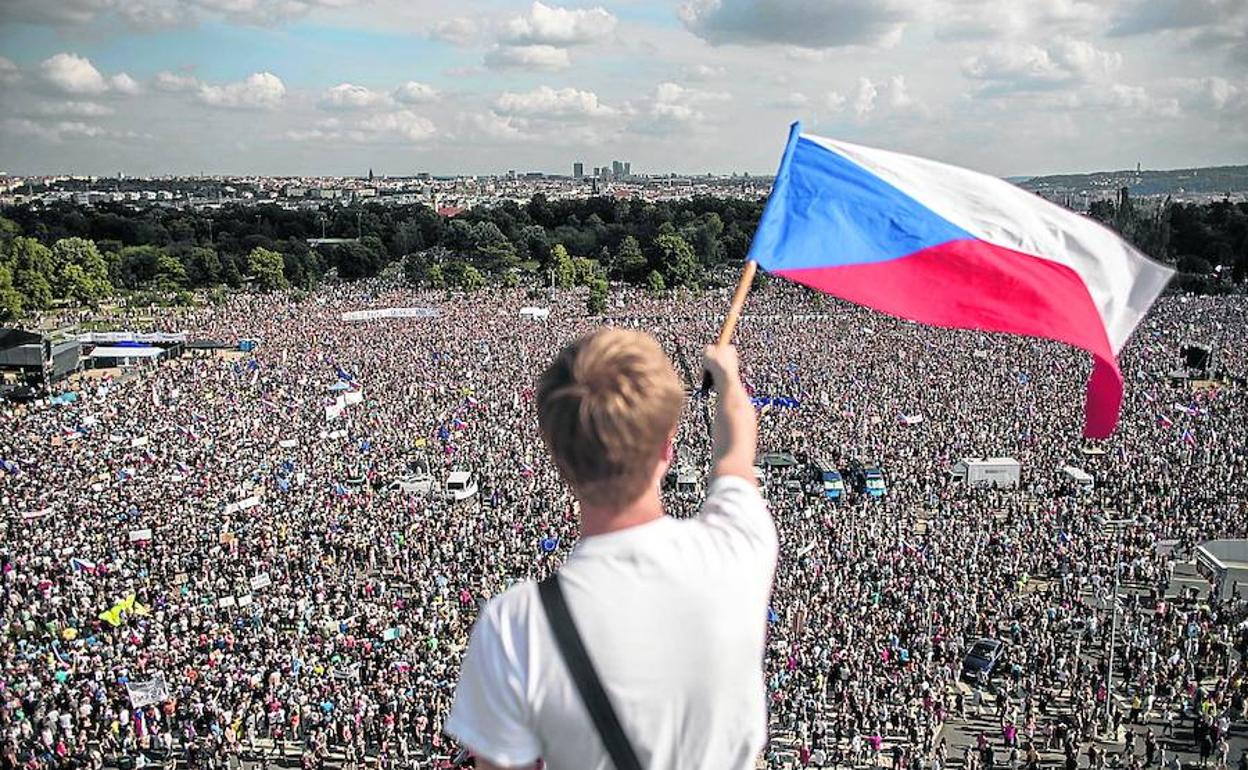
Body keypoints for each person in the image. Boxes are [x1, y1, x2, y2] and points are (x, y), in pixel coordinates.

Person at [444, 329, 776, 769]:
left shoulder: (515, 627)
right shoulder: (737, 550)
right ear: (666, 448)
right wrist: (728, 379)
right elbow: (735, 454)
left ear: (558, 460)